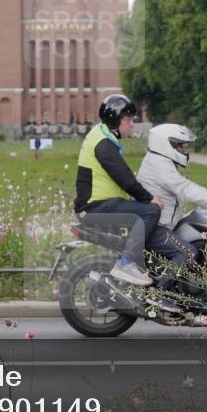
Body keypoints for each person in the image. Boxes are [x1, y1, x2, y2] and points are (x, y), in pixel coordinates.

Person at [137, 124, 207, 310]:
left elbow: (184, 188)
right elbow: (184, 189)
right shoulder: (159, 164)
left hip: (161, 223)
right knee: (187, 252)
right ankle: (158, 293)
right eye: (181, 146)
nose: (185, 150)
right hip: (155, 227)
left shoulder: (160, 162)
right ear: (166, 144)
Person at [74, 94, 165, 288]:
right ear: (116, 121)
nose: (132, 124)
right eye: (128, 120)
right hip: (94, 209)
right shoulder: (103, 144)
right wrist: (150, 199)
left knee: (143, 210)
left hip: (100, 205)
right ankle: (127, 263)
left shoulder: (101, 135)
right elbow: (125, 179)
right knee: (150, 211)